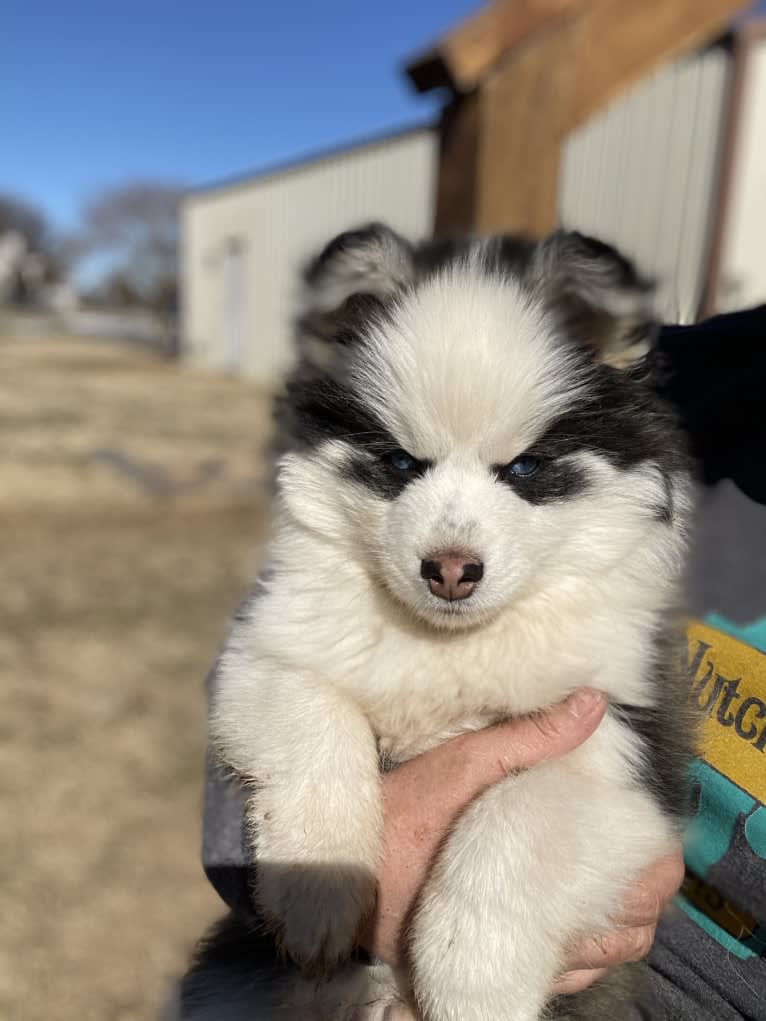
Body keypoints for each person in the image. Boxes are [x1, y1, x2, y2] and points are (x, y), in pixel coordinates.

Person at [182, 306, 766, 1020]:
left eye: (522, 467)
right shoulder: (676, 373)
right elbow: (273, 637)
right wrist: (294, 840)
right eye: (403, 462)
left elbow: (616, 796)